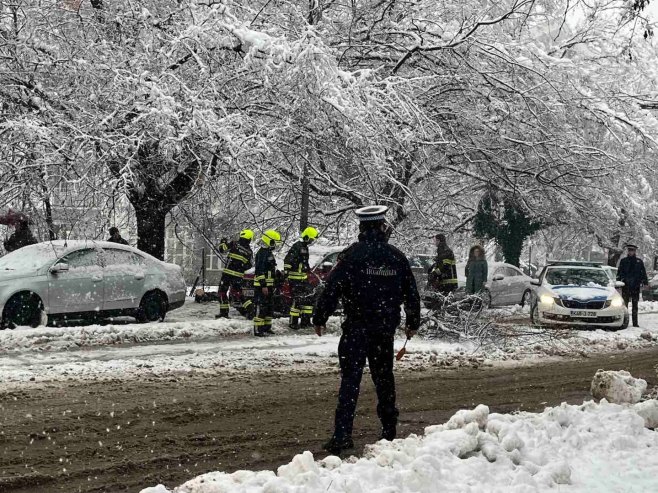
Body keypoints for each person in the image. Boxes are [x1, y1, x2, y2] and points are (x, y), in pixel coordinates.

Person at [313, 205, 421, 455]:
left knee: (350, 381)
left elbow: (332, 288)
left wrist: (320, 316)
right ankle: (389, 430)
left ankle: (342, 435)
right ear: (382, 227)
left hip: (356, 329)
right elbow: (411, 294)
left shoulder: (351, 256)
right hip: (384, 330)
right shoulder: (396, 257)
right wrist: (412, 322)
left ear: (362, 228)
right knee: (384, 379)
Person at [284, 226, 319, 329]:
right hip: (295, 279)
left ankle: (305, 321)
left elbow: (304, 262)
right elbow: (288, 260)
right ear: (307, 237)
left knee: (308, 299)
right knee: (297, 301)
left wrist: (308, 269)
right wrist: (287, 272)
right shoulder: (297, 246)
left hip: (303, 279)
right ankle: (293, 323)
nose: (312, 241)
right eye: (311, 239)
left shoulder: (305, 248)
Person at [215, 229, 254, 319]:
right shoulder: (249, 251)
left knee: (222, 292)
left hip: (227, 274)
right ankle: (251, 310)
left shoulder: (234, 244)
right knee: (238, 294)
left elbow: (222, 249)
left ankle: (224, 313)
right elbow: (249, 266)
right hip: (238, 276)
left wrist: (223, 242)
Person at [253, 229, 281, 337]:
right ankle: (258, 330)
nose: (275, 246)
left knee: (269, 307)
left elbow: (270, 269)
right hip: (261, 287)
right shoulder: (261, 253)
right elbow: (259, 271)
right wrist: (263, 285)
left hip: (269, 286)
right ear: (270, 241)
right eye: (274, 242)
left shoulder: (269, 253)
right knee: (261, 307)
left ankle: (266, 328)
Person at [617, 243, 648, 328]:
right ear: (628, 251)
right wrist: (618, 283)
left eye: (632, 250)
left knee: (635, 305)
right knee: (625, 305)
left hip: (635, 286)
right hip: (626, 286)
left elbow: (643, 273)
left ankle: (635, 323)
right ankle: (624, 321)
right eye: (629, 250)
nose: (631, 252)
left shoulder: (639, 262)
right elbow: (619, 273)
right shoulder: (623, 261)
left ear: (635, 251)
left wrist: (645, 282)